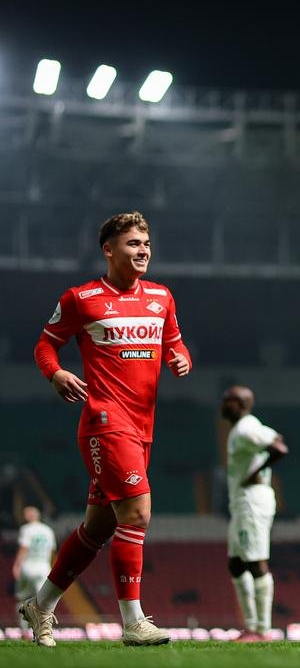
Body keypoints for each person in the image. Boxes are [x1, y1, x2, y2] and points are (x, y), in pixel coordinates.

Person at [23, 210, 192, 647]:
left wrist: (180, 359)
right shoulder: (82, 298)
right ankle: (133, 622)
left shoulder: (162, 297)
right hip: (105, 422)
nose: (143, 251)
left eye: (147, 244)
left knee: (97, 528)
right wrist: (56, 373)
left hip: (143, 427)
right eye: (134, 243)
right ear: (109, 249)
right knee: (136, 513)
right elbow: (45, 344)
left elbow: (175, 344)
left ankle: (40, 605)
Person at [222, 385, 288, 642]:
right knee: (236, 563)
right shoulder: (249, 427)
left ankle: (262, 630)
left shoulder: (246, 429)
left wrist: (255, 473)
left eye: (228, 400)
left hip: (251, 501)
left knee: (255, 561)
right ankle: (251, 626)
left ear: (239, 405)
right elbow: (276, 437)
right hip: (242, 502)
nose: (223, 405)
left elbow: (280, 449)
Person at [13, 507, 56, 635]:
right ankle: (43, 632)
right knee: (43, 603)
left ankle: (24, 631)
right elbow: (51, 551)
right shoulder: (48, 530)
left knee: (21, 599)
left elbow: (24, 547)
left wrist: (16, 565)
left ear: (28, 516)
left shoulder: (26, 529)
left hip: (28, 566)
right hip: (44, 567)